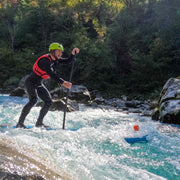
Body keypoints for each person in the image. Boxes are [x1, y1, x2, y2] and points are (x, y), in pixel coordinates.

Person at [16, 42, 79, 128]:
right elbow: (51, 74)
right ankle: (20, 123)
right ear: (52, 51)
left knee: (48, 102)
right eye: (58, 51)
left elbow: (68, 61)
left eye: (61, 52)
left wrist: (72, 54)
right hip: (30, 82)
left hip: (38, 84)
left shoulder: (56, 59)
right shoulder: (44, 61)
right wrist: (63, 82)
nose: (60, 53)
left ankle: (39, 123)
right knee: (33, 100)